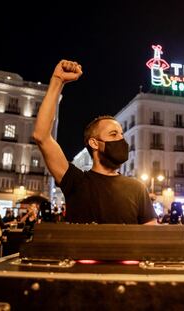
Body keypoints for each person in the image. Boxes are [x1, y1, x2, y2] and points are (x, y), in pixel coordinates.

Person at [32, 60, 157, 225]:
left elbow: (152, 236)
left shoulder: (138, 188)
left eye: (122, 134)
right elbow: (41, 136)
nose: (121, 139)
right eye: (113, 134)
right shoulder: (76, 182)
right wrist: (57, 81)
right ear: (94, 143)